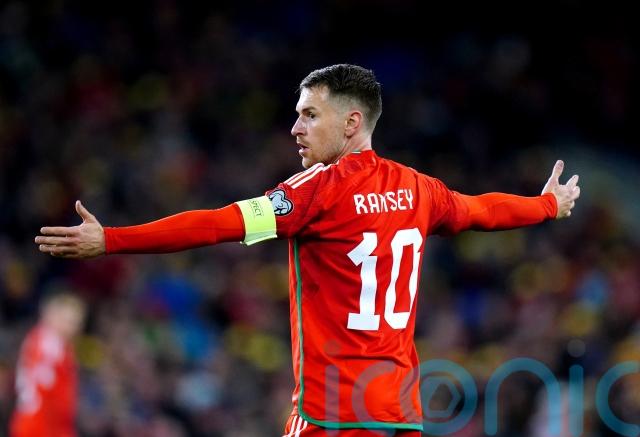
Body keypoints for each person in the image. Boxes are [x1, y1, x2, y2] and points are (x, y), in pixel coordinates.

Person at [35, 64, 580, 436]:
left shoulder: (315, 191)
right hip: (399, 417)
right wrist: (547, 206)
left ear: (352, 122)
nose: (295, 128)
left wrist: (113, 239)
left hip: (332, 415)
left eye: (310, 115)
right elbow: (483, 210)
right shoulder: (419, 190)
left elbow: (219, 224)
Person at [10, 292, 86, 437]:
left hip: (51, 425)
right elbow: (41, 390)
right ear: (51, 316)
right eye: (67, 321)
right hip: (39, 425)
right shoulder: (47, 345)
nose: (71, 328)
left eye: (76, 323)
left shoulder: (59, 346)